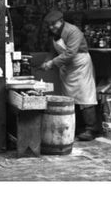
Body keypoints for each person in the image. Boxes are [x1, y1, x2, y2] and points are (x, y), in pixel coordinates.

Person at [40, 10, 98, 141]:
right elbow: (53, 50)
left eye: (53, 24)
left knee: (85, 97)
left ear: (61, 21)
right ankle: (76, 127)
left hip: (80, 65)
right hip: (67, 68)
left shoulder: (73, 31)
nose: (51, 27)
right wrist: (46, 61)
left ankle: (91, 129)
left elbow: (70, 53)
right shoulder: (55, 34)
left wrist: (52, 63)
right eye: (49, 25)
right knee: (69, 98)